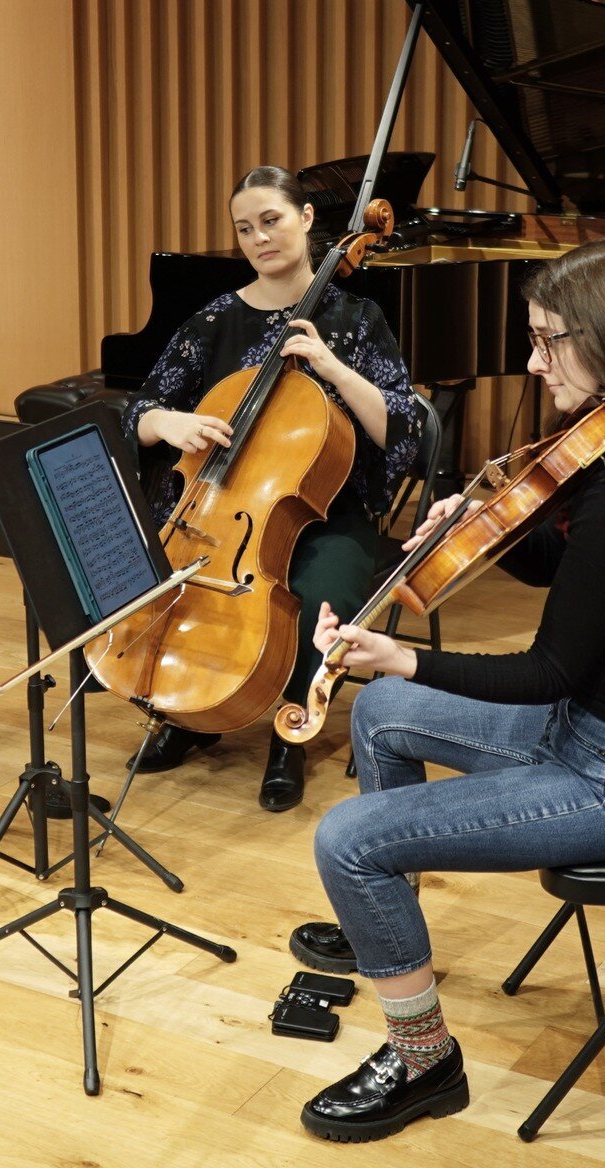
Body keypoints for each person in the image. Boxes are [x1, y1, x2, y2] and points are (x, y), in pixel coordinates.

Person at [292, 236, 605, 1143]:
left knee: (346, 838)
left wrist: (403, 655)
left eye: (546, 339)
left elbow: (548, 671)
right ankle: (391, 929)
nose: (532, 361)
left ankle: (424, 1063)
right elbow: (572, 573)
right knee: (377, 716)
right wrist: (484, 527)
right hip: (591, 728)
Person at [121, 166, 421, 810]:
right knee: (167, 578)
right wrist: (172, 421)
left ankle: (291, 731)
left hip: (323, 510)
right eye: (245, 228)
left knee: (317, 598)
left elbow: (404, 427)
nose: (260, 237)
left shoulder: (356, 318)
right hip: (222, 507)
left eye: (272, 220)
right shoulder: (214, 321)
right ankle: (183, 716)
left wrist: (332, 367)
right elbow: (138, 410)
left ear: (308, 220)